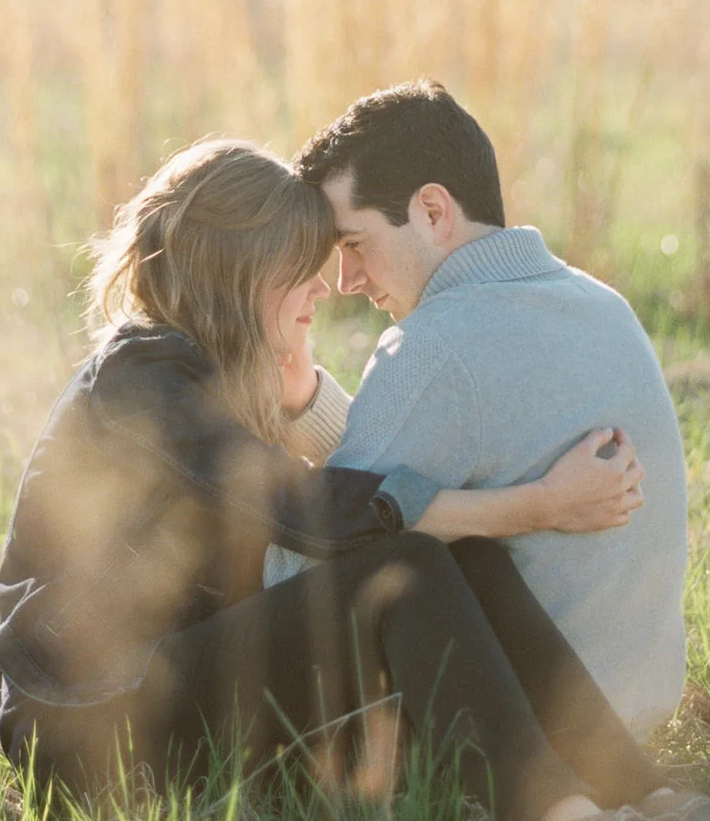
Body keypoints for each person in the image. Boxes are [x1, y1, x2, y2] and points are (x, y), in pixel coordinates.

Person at [0, 138, 710, 821]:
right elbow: (321, 513)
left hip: (136, 671)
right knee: (404, 570)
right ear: (241, 271)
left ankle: (648, 797)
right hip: (94, 741)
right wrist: (536, 505)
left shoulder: (203, 372)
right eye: (302, 270)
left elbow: (305, 503)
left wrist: (302, 395)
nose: (324, 289)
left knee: (456, 556)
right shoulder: (145, 378)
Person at [282, 80, 688, 741]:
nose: (347, 281)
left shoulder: (436, 347)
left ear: (432, 211)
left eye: (353, 244)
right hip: (636, 712)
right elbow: (402, 478)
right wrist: (308, 405)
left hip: (521, 738)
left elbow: (304, 565)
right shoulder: (601, 303)